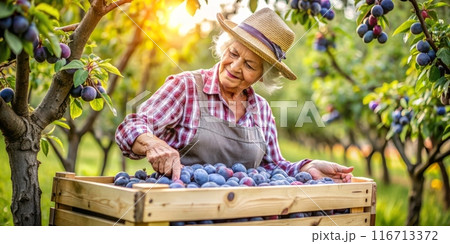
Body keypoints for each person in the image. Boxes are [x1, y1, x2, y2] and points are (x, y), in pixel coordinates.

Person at [115, 8, 353, 182]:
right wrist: (153, 144)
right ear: (224, 47)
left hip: (241, 216)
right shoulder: (186, 87)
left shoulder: (261, 109)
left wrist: (309, 167)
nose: (235, 66)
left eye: (250, 65)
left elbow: (273, 166)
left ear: (262, 76)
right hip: (180, 211)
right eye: (233, 53)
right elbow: (130, 127)